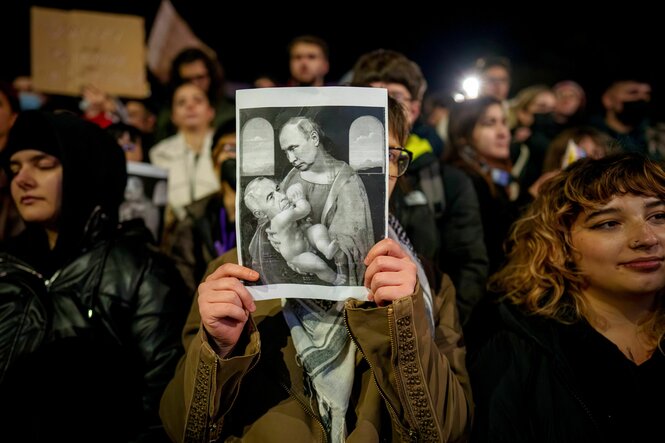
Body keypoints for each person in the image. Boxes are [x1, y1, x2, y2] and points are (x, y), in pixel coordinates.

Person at [159, 96, 472, 442]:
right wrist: (217, 351)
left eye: (389, 157)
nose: (380, 173)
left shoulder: (426, 283)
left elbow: (448, 429)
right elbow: (182, 429)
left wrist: (403, 323)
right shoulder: (235, 273)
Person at [0, 110, 190, 442]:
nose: (22, 179)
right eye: (14, 168)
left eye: (43, 165)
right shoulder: (5, 265)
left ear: (85, 169)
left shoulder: (141, 271)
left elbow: (164, 410)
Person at [467, 153, 665, 442]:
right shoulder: (513, 349)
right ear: (560, 244)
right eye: (609, 223)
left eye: (659, 216)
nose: (646, 238)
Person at [250, 114, 374, 287]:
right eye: (286, 152)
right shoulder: (292, 176)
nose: (291, 159)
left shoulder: (346, 180)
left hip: (332, 278)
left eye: (294, 148)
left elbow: (355, 240)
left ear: (314, 138)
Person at [244, 178, 343, 285]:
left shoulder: (280, 214)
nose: (282, 196)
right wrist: (300, 199)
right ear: (259, 214)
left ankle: (326, 249)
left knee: (318, 229)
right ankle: (335, 279)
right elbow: (304, 209)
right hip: (298, 256)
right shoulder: (281, 218)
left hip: (304, 238)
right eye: (271, 197)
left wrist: (304, 224)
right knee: (319, 265)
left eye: (278, 189)